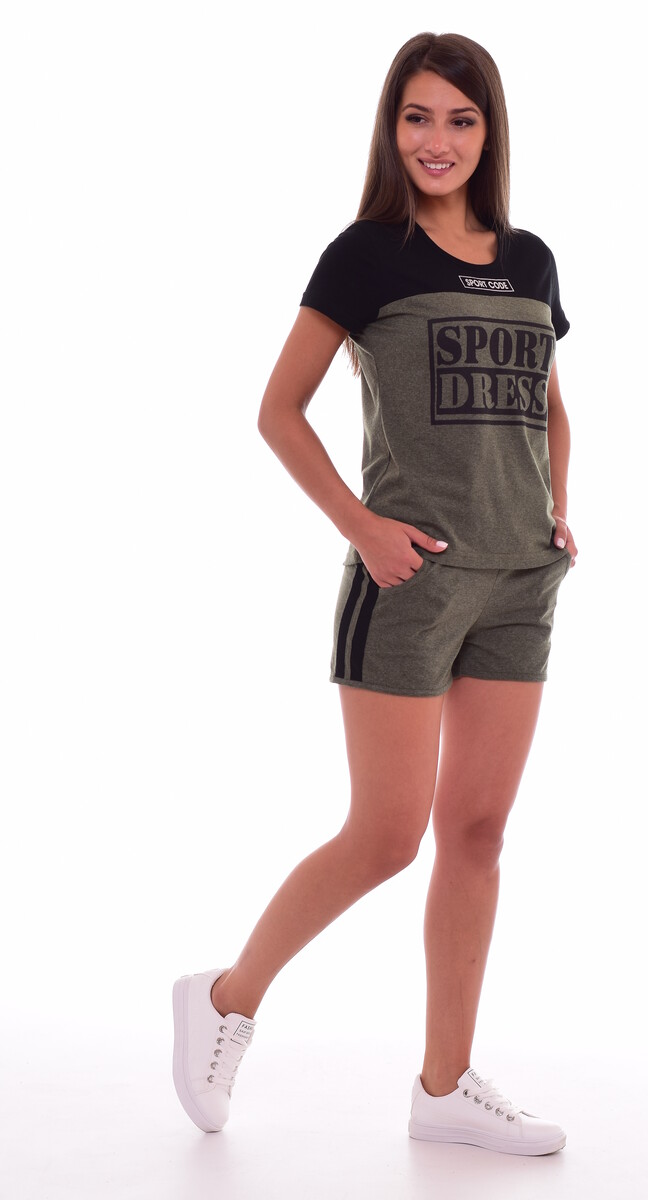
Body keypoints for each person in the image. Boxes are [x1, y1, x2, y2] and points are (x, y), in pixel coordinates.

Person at [172, 30, 577, 1157]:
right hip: (411, 582)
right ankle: (225, 999)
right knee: (388, 836)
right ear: (390, 128)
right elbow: (278, 410)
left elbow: (547, 403)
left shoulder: (531, 259)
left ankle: (444, 1088)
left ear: (489, 131)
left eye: (460, 118)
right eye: (416, 116)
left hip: (520, 583)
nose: (437, 140)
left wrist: (556, 509)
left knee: (477, 833)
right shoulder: (365, 256)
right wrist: (360, 527)